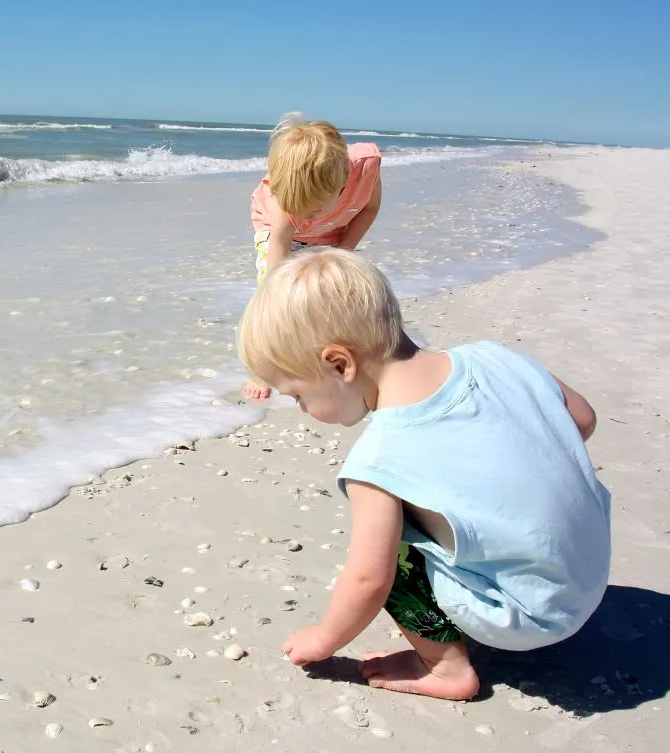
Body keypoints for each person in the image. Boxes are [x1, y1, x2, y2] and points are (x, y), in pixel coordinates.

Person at [235, 247, 611, 700]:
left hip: (528, 619)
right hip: (591, 572)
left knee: (392, 548)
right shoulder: (492, 356)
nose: (302, 409)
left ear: (340, 364)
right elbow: (583, 419)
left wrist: (322, 639)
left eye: (297, 395)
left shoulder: (379, 459)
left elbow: (369, 581)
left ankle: (442, 667)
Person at [245, 113, 383, 400]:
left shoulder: (365, 168)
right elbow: (281, 241)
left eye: (311, 209)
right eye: (299, 208)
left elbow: (369, 209)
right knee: (279, 300)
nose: (303, 216)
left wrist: (345, 249)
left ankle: (325, 355)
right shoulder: (282, 199)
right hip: (277, 232)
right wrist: (274, 292)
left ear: (342, 182)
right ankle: (261, 368)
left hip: (334, 231)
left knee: (333, 294)